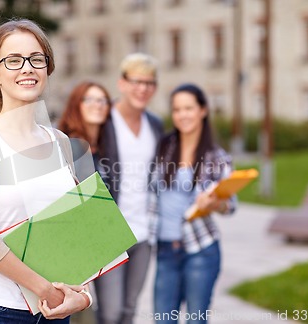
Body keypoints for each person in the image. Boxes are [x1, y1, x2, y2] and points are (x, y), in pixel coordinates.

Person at [0, 19, 92, 323]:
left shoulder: (61, 142)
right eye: (13, 60)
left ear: (47, 68)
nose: (27, 68)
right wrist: (45, 289)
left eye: (36, 59)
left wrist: (83, 294)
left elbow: (80, 229)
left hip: (57, 313)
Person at [150, 84, 237, 324]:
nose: (182, 115)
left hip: (201, 249)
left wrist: (213, 205)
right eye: (177, 109)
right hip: (166, 250)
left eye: (188, 108)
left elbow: (231, 205)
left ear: (203, 111)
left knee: (196, 321)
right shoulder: (163, 147)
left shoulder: (217, 157)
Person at [94, 53, 164, 324]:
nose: (143, 89)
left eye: (149, 83)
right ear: (122, 83)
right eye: (136, 81)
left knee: (129, 309)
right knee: (110, 313)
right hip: (110, 233)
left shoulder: (155, 124)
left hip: (144, 233)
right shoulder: (104, 119)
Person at [58, 81, 112, 171]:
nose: (97, 105)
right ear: (76, 104)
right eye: (89, 99)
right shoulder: (67, 146)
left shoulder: (108, 145)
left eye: (102, 100)